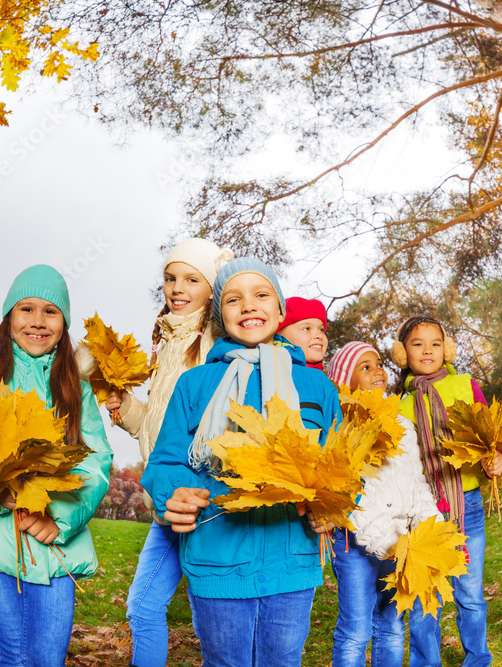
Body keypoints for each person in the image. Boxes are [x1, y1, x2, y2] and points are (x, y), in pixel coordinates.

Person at [141, 257, 341, 667]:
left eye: (261, 295)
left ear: (281, 311)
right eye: (234, 299)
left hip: (292, 563)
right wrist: (172, 493)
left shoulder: (317, 386)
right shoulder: (194, 383)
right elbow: (164, 461)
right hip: (217, 561)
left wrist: (332, 506)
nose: (249, 306)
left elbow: (338, 465)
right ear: (220, 315)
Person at [0, 265, 113, 667]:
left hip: (53, 541)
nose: (37, 321)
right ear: (8, 318)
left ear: (64, 324)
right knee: (14, 650)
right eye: (26, 309)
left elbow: (97, 460)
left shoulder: (75, 387)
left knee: (47, 656)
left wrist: (61, 518)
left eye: (50, 312)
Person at [105, 237, 233, 667]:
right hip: (167, 502)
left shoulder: (218, 341)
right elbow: (160, 428)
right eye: (170, 278)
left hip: (203, 501)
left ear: (212, 289)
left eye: (191, 279)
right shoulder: (165, 341)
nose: (177, 287)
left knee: (211, 621)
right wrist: (125, 408)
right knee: (143, 607)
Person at [394, 315, 502, 667]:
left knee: (470, 592)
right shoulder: (399, 405)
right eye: (417, 343)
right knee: (426, 593)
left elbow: (488, 438)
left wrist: (493, 460)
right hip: (422, 511)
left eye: (435, 343)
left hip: (466, 503)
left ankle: (477, 660)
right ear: (401, 353)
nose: (427, 350)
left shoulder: (465, 385)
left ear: (447, 349)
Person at [326, 341, 438, 667]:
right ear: (346, 381)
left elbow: (418, 483)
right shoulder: (342, 429)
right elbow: (353, 500)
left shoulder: (403, 425)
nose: (377, 371)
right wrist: (384, 543)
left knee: (391, 625)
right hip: (356, 545)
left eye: (378, 363)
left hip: (400, 541)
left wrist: (430, 531)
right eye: (365, 367)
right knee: (356, 630)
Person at [277, 296, 329, 369]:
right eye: (306, 329)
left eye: (321, 330)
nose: (319, 336)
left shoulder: (322, 376)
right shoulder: (277, 370)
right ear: (280, 336)